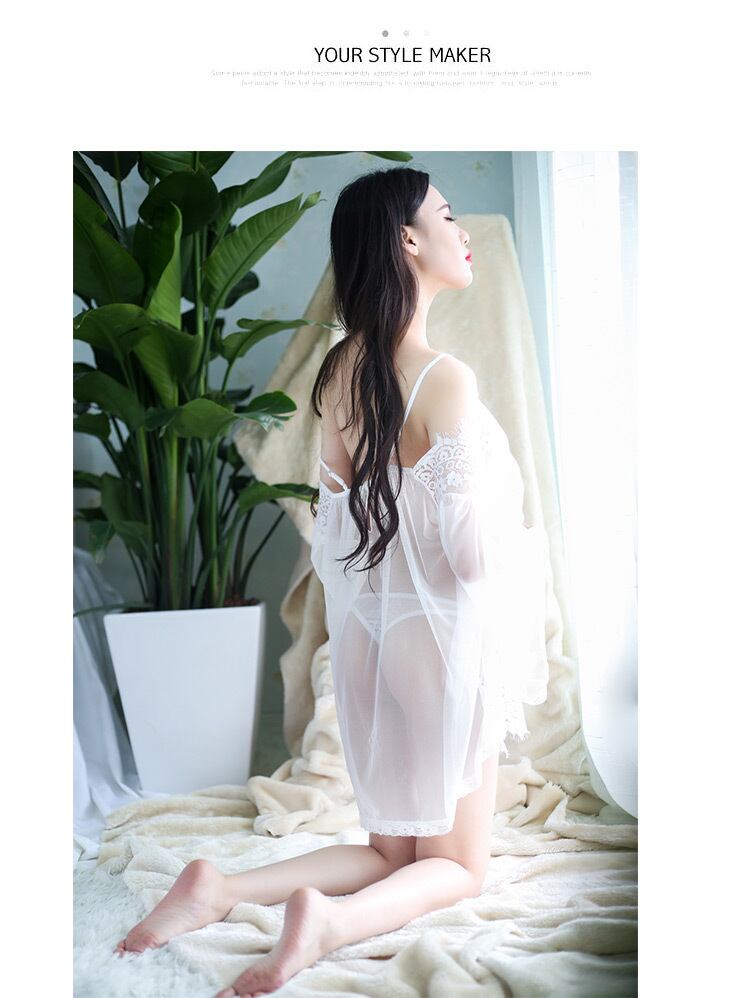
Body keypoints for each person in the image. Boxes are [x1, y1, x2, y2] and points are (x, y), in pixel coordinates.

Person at [113, 167, 549, 997]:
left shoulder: (343, 370)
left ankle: (221, 889)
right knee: (458, 867)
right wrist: (518, 540)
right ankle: (330, 926)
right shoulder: (445, 379)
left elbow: (338, 534)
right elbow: (469, 562)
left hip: (377, 647)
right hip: (447, 646)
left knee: (390, 851)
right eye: (447, 216)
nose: (463, 233)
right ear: (408, 240)